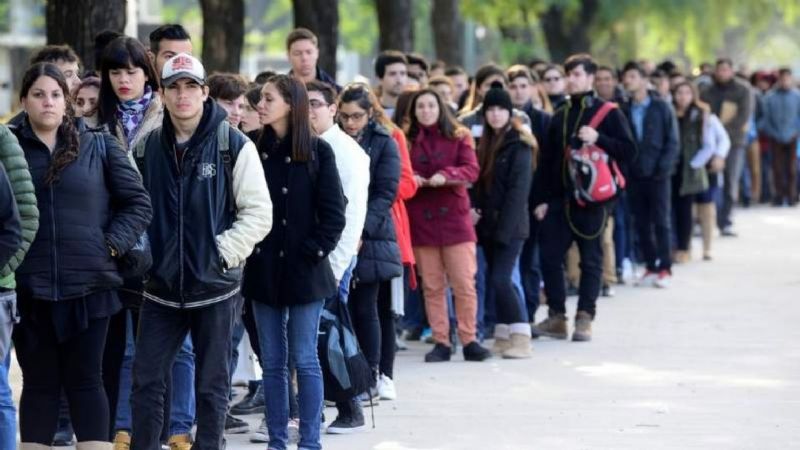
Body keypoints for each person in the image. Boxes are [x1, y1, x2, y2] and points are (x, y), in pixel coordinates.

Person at [130, 53, 272, 450]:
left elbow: (259, 213)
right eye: (173, 87)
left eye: (190, 86)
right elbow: (132, 208)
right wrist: (142, 252)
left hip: (214, 287)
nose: (182, 95)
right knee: (146, 382)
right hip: (159, 288)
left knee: (212, 387)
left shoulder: (233, 145)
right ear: (162, 93)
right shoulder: (144, 150)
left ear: (205, 92)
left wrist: (220, 253)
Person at [12, 62, 151, 450]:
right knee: (39, 385)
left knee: (87, 381)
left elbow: (138, 203)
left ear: (68, 101)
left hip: (90, 286)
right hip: (30, 288)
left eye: (56, 95)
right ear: (23, 100)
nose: (48, 103)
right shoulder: (9, 149)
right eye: (38, 95)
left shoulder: (99, 144)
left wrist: (109, 245)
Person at [243, 74, 345, 450]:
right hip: (263, 268)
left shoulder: (319, 152)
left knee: (305, 359)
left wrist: (312, 251)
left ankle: (310, 442)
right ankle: (276, 441)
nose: (261, 104)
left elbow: (334, 215)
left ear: (291, 103)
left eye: (269, 98)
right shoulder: (251, 148)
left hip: (306, 271)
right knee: (271, 362)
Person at [532, 54, 636, 342]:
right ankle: (556, 317)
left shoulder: (609, 112)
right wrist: (540, 199)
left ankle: (584, 317)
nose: (572, 79)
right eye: (569, 74)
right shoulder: (561, 114)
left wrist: (598, 138)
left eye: (577, 74)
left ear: (591, 77)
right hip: (559, 200)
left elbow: (629, 151)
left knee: (590, 260)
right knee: (550, 257)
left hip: (594, 203)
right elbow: (548, 162)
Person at [332, 83, 402, 430]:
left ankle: (372, 374)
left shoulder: (384, 142)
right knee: (346, 309)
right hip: (341, 231)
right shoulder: (334, 139)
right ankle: (350, 373)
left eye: (357, 116)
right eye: (344, 116)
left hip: (372, 235)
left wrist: (361, 231)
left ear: (370, 113)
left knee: (368, 307)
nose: (350, 122)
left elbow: (385, 192)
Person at [405, 88, 491, 362]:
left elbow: (471, 169)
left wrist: (447, 175)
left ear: (440, 108)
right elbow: (400, 172)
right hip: (423, 221)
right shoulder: (408, 141)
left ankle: (469, 339)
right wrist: (414, 178)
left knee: (464, 283)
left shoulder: (459, 136)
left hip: (455, 220)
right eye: (421, 107)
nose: (426, 110)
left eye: (431, 105)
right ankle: (441, 339)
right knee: (432, 286)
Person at [473, 84, 536, 358]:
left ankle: (522, 336)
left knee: (502, 279)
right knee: (494, 279)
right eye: (491, 109)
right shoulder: (485, 142)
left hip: (511, 228)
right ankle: (502, 335)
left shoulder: (520, 144)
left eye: (501, 109)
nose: (496, 114)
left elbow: (517, 194)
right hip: (488, 225)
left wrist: (502, 232)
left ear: (510, 112)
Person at [621, 61, 679, 288]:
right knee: (641, 222)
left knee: (661, 221)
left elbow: (672, 142)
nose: (628, 81)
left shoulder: (661, 107)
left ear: (645, 80)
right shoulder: (623, 109)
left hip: (659, 175)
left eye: (633, 76)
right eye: (626, 77)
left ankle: (665, 267)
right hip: (634, 174)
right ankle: (650, 265)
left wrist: (663, 168)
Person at [672, 81, 730, 262]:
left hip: (704, 168)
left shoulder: (705, 115)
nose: (683, 97)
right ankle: (683, 246)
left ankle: (706, 248)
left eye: (687, 93)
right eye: (679, 92)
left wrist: (716, 157)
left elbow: (720, 141)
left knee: (706, 208)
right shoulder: (670, 113)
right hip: (679, 169)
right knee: (684, 210)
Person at [700, 58, 752, 236]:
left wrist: (721, 132)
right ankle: (705, 219)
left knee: (731, 181)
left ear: (731, 71)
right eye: (719, 69)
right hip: (709, 143)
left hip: (735, 142)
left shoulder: (743, 90)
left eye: (725, 70)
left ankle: (726, 220)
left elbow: (743, 116)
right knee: (708, 181)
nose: (722, 73)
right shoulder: (706, 92)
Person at [758, 68, 800, 206]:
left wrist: (795, 131)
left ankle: (792, 195)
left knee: (792, 168)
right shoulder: (770, 97)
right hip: (775, 137)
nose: (785, 81)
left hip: (792, 136)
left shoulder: (797, 96)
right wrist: (773, 133)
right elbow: (765, 119)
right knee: (777, 168)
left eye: (787, 78)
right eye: (782, 79)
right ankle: (778, 195)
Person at [375, 50, 408, 118]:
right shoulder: (371, 111)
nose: (399, 79)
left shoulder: (413, 110)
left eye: (403, 73)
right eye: (392, 74)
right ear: (379, 78)